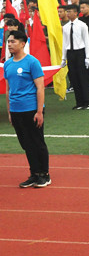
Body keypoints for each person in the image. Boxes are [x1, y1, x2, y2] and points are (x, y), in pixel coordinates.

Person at [4, 30, 50, 188]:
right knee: (26, 144)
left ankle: (44, 174)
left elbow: (40, 88)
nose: (10, 44)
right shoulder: (8, 64)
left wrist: (39, 111)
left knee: (37, 142)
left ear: (23, 44)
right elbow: (8, 90)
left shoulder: (32, 62)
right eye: (9, 42)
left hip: (31, 109)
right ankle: (34, 173)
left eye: (13, 41)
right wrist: (9, 112)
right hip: (16, 110)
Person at [60, 4, 89, 110]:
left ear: (76, 13)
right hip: (70, 53)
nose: (68, 14)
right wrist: (63, 58)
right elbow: (65, 43)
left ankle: (87, 102)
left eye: (70, 12)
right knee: (74, 78)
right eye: (67, 12)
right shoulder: (66, 27)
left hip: (80, 52)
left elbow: (86, 41)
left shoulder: (82, 25)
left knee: (83, 77)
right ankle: (79, 102)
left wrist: (87, 57)